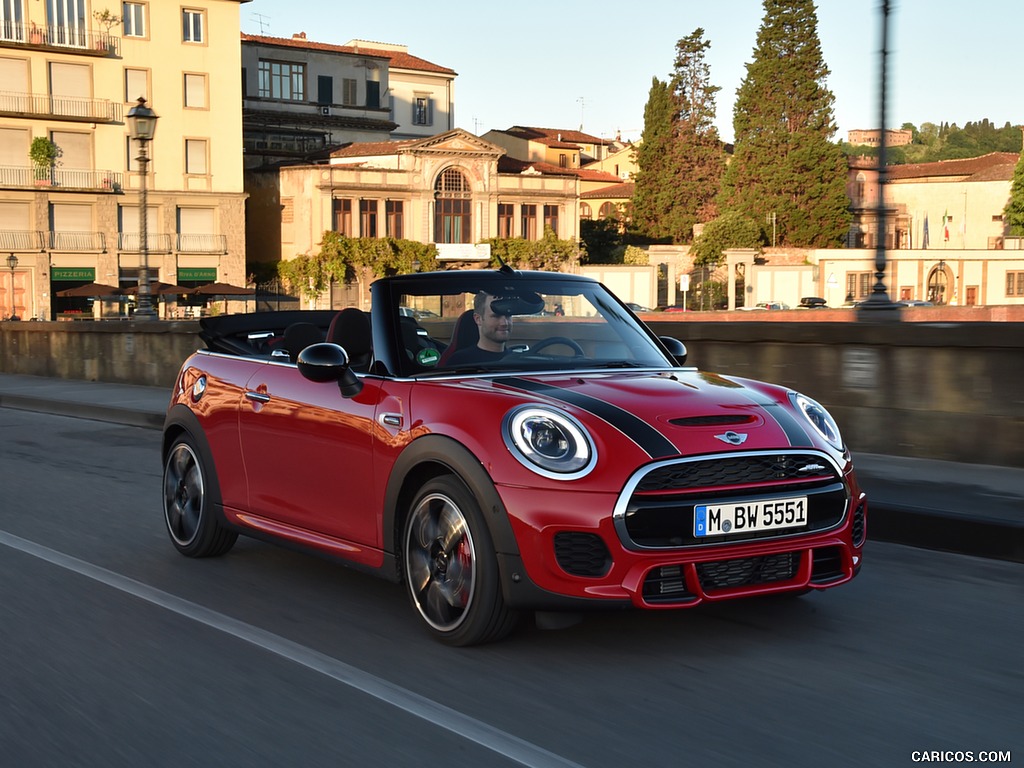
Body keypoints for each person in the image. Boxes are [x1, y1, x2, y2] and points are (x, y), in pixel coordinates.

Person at [445, 291, 513, 366]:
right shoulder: (459, 362)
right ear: (478, 319)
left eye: (508, 316)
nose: (504, 323)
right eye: (496, 316)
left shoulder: (517, 359)